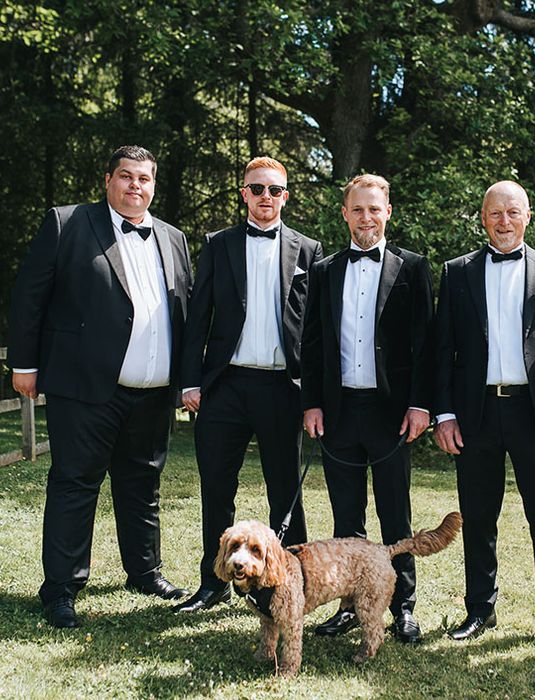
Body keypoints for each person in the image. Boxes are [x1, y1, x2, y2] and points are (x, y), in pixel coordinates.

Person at [8, 145, 193, 628]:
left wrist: (186, 382)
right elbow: (30, 296)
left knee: (142, 484)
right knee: (75, 483)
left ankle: (145, 571)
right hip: (86, 387)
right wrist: (24, 363)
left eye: (145, 179)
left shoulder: (173, 238)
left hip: (153, 391)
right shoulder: (67, 224)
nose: (136, 186)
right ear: (108, 179)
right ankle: (62, 589)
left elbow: (185, 315)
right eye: (126, 176)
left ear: (154, 185)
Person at [433, 180, 535, 654]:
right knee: (478, 517)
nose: (504, 221)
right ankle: (480, 608)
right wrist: (446, 414)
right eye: (495, 213)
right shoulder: (457, 274)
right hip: (476, 412)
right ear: (482, 218)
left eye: (513, 212)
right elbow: (443, 349)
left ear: (528, 216)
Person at [174, 156, 323, 613]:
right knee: (217, 486)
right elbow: (198, 317)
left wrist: (314, 396)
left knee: (285, 491)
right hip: (226, 385)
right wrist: (189, 382)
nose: (265, 197)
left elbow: (317, 330)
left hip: (283, 388)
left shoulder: (308, 249)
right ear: (244, 194)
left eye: (274, 190)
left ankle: (292, 586)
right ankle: (212, 582)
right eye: (256, 188)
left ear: (285, 196)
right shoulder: (218, 244)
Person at [301, 174, 433, 643]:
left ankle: (403, 607)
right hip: (338, 412)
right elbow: (313, 343)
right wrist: (312, 403)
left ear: (388, 212)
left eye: (374, 209)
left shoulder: (412, 267)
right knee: (346, 518)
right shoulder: (324, 269)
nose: (366, 218)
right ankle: (350, 606)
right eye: (358, 209)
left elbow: (424, 344)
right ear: (345, 214)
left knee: (396, 514)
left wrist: (421, 405)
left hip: (391, 412)